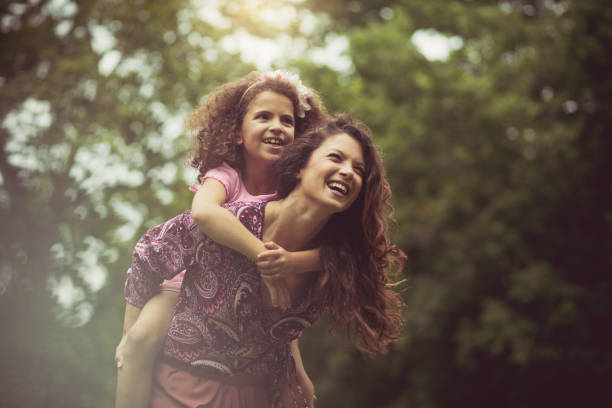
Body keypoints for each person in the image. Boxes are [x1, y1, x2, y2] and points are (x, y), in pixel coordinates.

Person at [121, 114, 405, 407]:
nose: (347, 172)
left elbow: (275, 335)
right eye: (336, 158)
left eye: (358, 169)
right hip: (177, 392)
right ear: (300, 166)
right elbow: (149, 254)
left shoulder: (333, 265)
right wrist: (129, 337)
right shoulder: (235, 221)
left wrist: (294, 375)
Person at [115, 70, 327, 408]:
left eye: (287, 121)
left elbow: (318, 265)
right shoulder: (226, 175)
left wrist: (294, 362)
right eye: (263, 116)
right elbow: (204, 214)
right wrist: (262, 255)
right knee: (138, 341)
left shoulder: (289, 194)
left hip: (254, 299)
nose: (277, 126)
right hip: (191, 283)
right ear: (238, 133)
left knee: (296, 386)